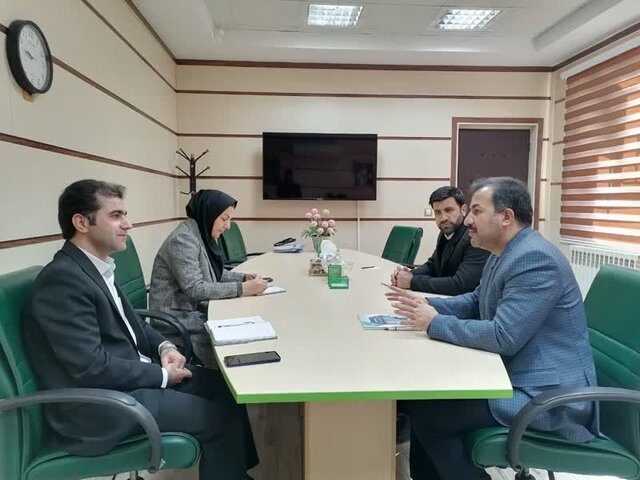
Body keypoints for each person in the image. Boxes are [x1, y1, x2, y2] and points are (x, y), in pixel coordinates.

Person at [22, 180, 258, 480]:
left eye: (125, 214)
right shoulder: (62, 281)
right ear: (81, 222)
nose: (128, 224)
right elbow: (90, 368)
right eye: (116, 215)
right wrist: (162, 375)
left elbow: (131, 321)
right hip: (99, 407)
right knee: (218, 420)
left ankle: (235, 473)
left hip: (126, 383)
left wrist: (165, 347)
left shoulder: (95, 268)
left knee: (226, 387)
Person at [386, 177, 598, 480]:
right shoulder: (506, 252)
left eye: (476, 211)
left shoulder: (535, 259)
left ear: (506, 217)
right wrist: (423, 305)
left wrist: (434, 322)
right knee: (422, 402)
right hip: (517, 377)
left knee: (431, 415)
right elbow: (476, 300)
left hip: (548, 396)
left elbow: (503, 336)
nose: (467, 220)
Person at [149, 189, 268, 368]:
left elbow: (215, 274)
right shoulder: (183, 239)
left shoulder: (201, 233)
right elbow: (195, 288)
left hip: (195, 310)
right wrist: (243, 289)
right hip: (177, 318)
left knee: (242, 324)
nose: (228, 225)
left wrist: (244, 278)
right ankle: (225, 377)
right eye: (224, 219)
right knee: (238, 335)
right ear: (209, 214)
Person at [390, 186, 489, 295]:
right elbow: (433, 264)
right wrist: (408, 275)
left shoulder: (476, 238)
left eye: (448, 210)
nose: (443, 218)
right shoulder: (445, 232)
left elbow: (461, 285)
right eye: (437, 212)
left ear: (464, 210)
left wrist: (412, 282)